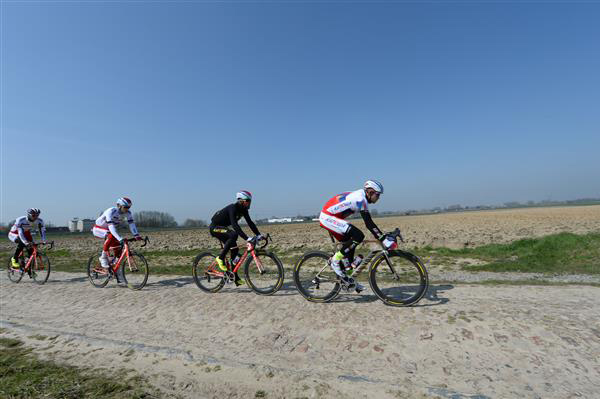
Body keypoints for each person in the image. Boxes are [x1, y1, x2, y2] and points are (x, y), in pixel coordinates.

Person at [319, 180, 396, 292]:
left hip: (333, 218)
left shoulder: (361, 196)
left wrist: (383, 237)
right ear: (370, 192)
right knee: (358, 236)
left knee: (350, 249)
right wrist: (384, 239)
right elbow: (369, 224)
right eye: (377, 195)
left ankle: (348, 280)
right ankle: (335, 260)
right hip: (328, 217)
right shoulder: (360, 199)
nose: (378, 198)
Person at [209, 190, 263, 285]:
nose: (249, 203)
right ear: (241, 200)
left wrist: (258, 234)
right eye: (247, 200)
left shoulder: (244, 210)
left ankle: (234, 277)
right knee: (234, 234)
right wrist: (247, 238)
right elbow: (234, 225)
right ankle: (220, 258)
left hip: (223, 228)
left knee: (235, 252)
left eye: (250, 201)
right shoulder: (232, 208)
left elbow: (250, 223)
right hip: (215, 228)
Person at [92, 197, 142, 277]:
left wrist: (137, 235)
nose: (127, 209)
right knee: (111, 236)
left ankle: (117, 273)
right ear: (118, 205)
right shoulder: (111, 211)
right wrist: (120, 238)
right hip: (99, 229)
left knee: (118, 251)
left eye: (128, 207)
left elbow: (132, 224)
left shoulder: (128, 213)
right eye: (125, 207)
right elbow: (111, 227)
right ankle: (103, 258)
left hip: (110, 230)